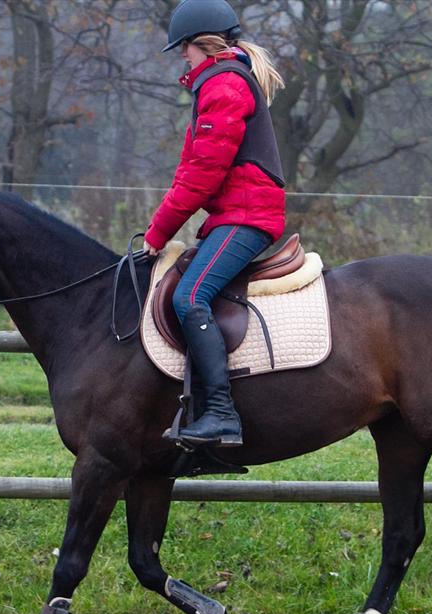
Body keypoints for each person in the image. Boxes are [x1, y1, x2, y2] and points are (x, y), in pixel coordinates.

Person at [143, 0, 287, 448]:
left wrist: (159, 231)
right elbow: (192, 168)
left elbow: (204, 174)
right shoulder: (219, 82)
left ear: (202, 44)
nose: (182, 57)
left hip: (248, 216)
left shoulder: (224, 84)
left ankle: (222, 415)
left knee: (190, 296)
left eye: (183, 48)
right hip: (237, 214)